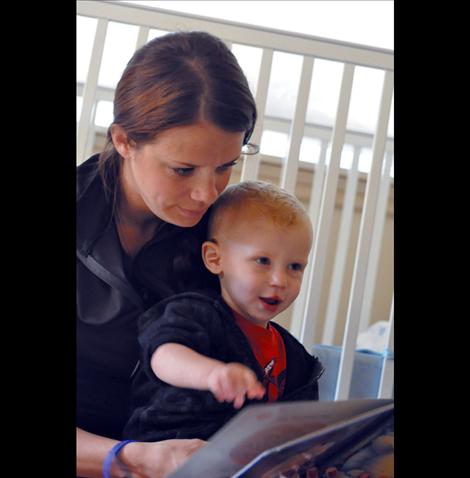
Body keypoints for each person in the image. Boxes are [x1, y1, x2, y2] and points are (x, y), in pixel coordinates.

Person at [77, 30, 257, 478]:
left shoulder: (221, 240)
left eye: (225, 167)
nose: (205, 193)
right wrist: (128, 457)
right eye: (182, 169)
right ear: (123, 140)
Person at [122, 180, 325, 442]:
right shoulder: (195, 313)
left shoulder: (294, 356)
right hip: (173, 448)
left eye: (295, 267)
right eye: (263, 261)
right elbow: (162, 355)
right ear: (215, 259)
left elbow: (298, 425)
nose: (280, 280)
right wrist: (212, 374)